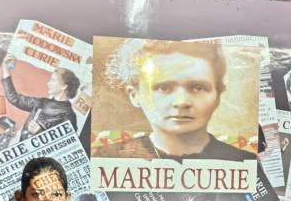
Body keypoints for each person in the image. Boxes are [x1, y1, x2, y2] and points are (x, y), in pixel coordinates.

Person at [91, 40, 253, 161]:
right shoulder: (106, 158)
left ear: (218, 95)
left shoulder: (244, 163)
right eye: (163, 88)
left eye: (198, 88)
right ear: (134, 95)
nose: (181, 102)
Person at [2, 57, 80, 141]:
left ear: (63, 86)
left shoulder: (69, 115)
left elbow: (65, 144)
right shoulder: (42, 102)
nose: (48, 83)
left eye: (53, 80)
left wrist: (39, 132)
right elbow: (14, 98)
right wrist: (5, 68)